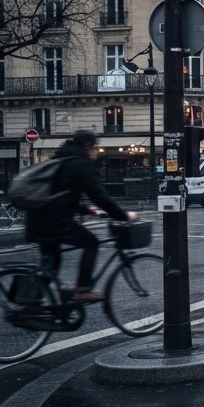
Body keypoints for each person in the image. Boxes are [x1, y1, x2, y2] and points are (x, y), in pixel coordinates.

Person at [26, 130, 135, 303]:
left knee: (51, 265)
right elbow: (99, 196)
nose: (96, 151)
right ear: (88, 146)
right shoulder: (80, 164)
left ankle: (31, 304)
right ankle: (82, 289)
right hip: (55, 222)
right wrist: (123, 215)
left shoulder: (61, 160)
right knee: (91, 242)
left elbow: (59, 196)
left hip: (37, 220)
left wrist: (86, 210)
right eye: (95, 147)